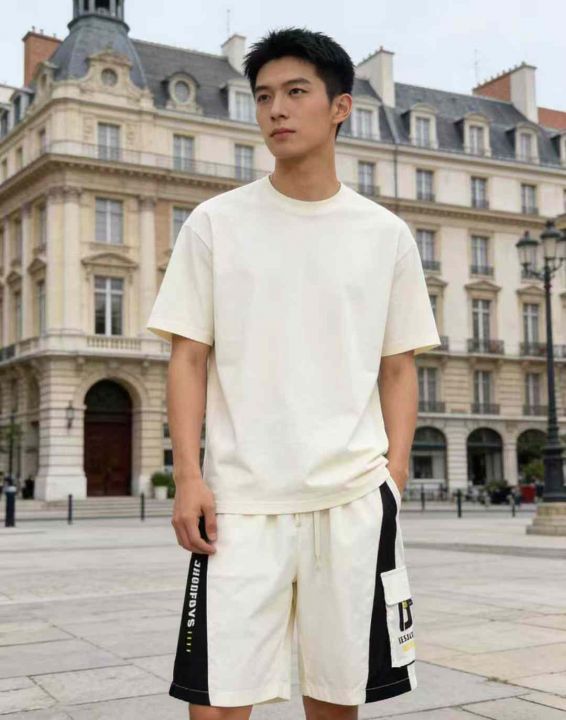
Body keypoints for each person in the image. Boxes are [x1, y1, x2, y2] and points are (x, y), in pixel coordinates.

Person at [146, 26, 441, 720]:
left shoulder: (385, 235)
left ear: (340, 107)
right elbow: (188, 357)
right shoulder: (215, 223)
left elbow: (398, 367)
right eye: (263, 96)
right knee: (217, 703)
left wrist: (393, 478)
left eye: (296, 92)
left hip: (352, 498)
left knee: (337, 699)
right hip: (241, 502)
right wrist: (188, 476)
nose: (276, 108)